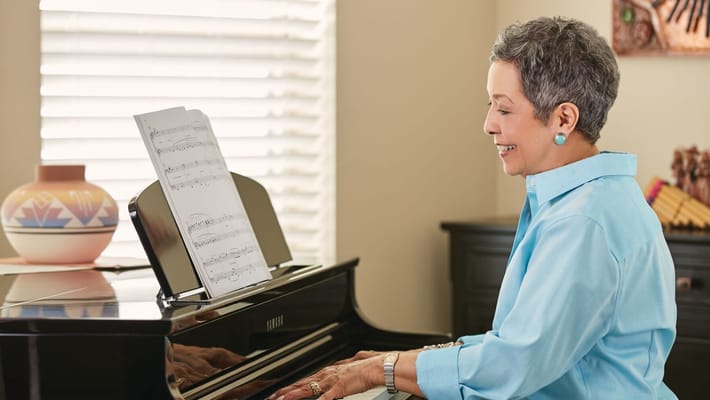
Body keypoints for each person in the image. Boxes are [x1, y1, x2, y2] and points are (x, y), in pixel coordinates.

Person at [268, 16, 677, 400]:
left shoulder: (583, 222)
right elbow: (523, 343)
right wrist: (407, 360)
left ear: (563, 119)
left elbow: (514, 365)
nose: (489, 125)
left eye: (503, 108)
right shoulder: (597, 197)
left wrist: (383, 369)